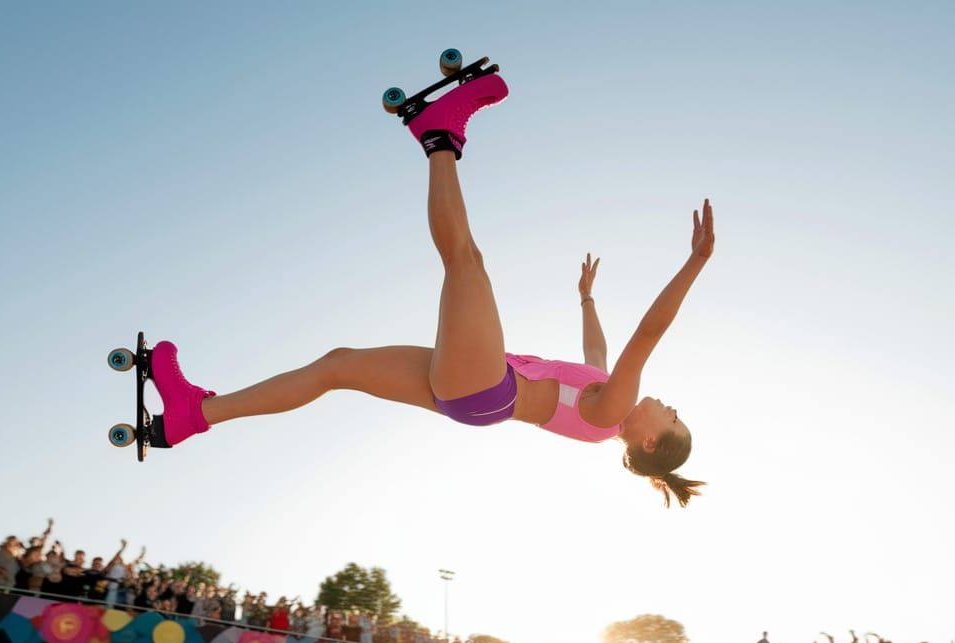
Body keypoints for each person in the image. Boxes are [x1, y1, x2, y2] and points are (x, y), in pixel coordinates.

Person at [146, 68, 711, 508]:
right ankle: (193, 415)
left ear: (651, 443)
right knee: (336, 365)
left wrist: (695, 262)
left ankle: (439, 134)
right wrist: (586, 299)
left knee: (466, 261)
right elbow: (598, 354)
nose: (668, 406)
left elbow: (648, 333)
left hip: (489, 388)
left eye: (673, 417)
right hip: (475, 392)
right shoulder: (606, 396)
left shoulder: (612, 415)